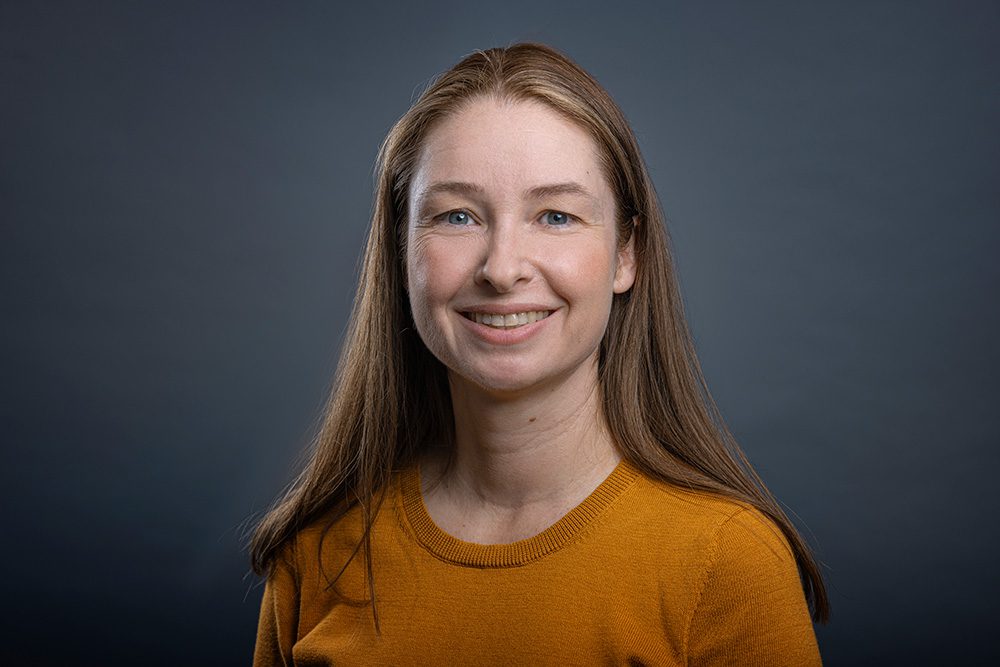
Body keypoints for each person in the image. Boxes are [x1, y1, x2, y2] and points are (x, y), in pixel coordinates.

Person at [250, 42, 828, 665]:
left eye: (555, 216)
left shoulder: (729, 563)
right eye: (457, 216)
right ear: (400, 249)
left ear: (626, 254)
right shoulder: (317, 551)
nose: (501, 270)